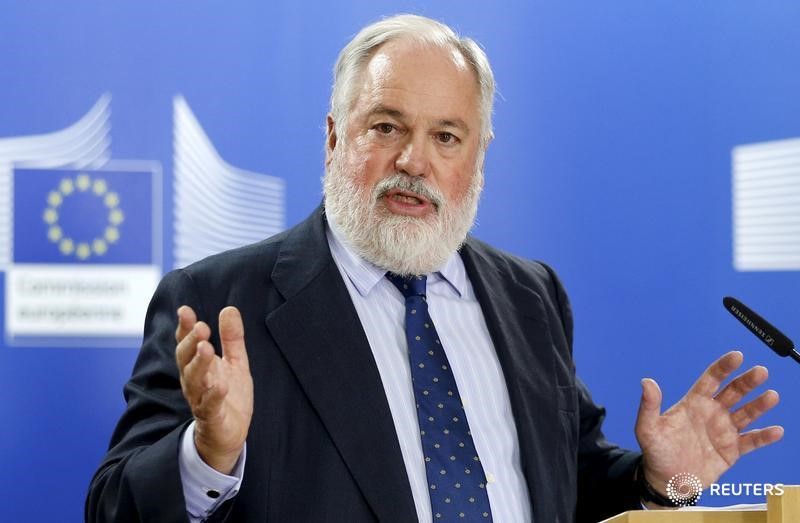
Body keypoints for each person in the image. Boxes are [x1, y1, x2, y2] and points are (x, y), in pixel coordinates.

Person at [86, 14, 784, 523]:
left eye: (445, 136)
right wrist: (208, 450)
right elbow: (112, 510)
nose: (414, 162)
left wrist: (670, 477)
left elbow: (570, 484)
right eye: (386, 126)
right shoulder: (216, 301)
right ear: (335, 136)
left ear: (476, 156)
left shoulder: (530, 294)